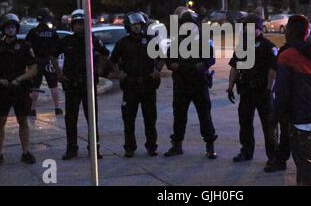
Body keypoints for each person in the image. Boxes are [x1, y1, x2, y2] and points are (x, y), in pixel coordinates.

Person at [273, 15, 311, 186]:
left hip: (301, 121)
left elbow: (282, 92)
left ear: (289, 31)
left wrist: (275, 117)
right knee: (309, 165)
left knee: (306, 169)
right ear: (307, 32)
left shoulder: (286, 56)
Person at [52, 9, 109, 160]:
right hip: (71, 84)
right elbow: (52, 55)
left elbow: (105, 53)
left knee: (92, 118)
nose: (79, 27)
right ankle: (71, 148)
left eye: (82, 24)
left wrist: (99, 69)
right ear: (72, 26)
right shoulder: (66, 41)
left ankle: (94, 148)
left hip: (88, 84)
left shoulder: (92, 39)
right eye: (76, 24)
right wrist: (59, 73)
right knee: (71, 118)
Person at [226, 14, 278, 172]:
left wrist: (269, 89)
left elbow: (273, 70)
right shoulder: (242, 46)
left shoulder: (269, 46)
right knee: (245, 123)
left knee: (269, 126)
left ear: (259, 29)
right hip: (247, 91)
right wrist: (230, 86)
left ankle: (273, 157)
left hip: (263, 91)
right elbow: (235, 67)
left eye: (252, 28)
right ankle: (246, 151)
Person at [0, 13, 38, 167]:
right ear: (3, 29)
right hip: (2, 90)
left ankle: (26, 152)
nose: (11, 29)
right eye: (8, 27)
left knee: (23, 120)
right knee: (0, 121)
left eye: (13, 26)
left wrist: (20, 79)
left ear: (17, 28)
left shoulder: (25, 46)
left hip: (20, 89)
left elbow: (33, 68)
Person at [109, 11, 164, 157]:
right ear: (128, 26)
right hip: (130, 86)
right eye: (134, 25)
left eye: (139, 24)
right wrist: (119, 73)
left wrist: (157, 70)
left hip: (148, 85)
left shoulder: (151, 41)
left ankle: (152, 146)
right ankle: (129, 147)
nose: (137, 27)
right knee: (128, 119)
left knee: (150, 118)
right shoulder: (122, 43)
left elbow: (161, 58)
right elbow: (112, 60)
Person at [164, 9, 218, 159]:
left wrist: (193, 67)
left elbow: (209, 60)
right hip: (181, 84)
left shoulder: (203, 40)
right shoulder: (176, 41)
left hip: (199, 84)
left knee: (204, 116)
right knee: (179, 116)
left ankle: (210, 145)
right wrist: (180, 67)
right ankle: (177, 145)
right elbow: (169, 60)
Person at [26, 8, 62, 117]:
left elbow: (27, 46)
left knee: (35, 86)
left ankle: (32, 109)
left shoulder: (33, 32)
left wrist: (32, 58)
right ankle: (57, 108)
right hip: (50, 61)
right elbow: (58, 48)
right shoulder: (53, 32)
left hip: (37, 61)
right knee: (54, 85)